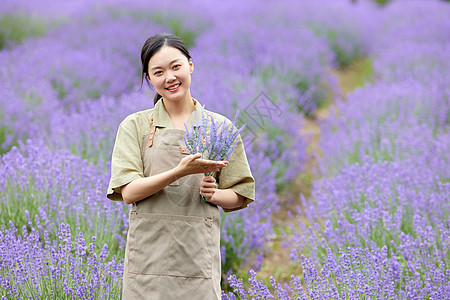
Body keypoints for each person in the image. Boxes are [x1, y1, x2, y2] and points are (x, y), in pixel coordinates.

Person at [106, 33, 255, 299]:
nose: (170, 78)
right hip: (147, 264)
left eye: (176, 67)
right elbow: (128, 192)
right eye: (158, 72)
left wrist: (214, 194)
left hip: (197, 259)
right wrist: (180, 172)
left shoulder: (220, 128)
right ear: (149, 79)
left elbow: (240, 195)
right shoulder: (135, 126)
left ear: (190, 65)